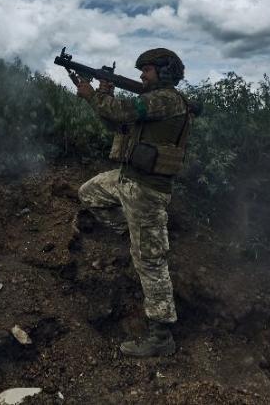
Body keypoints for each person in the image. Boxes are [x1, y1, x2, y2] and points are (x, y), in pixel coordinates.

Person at [70, 48, 192, 357]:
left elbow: (123, 110)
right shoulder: (152, 104)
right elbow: (118, 124)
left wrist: (91, 95)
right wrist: (101, 97)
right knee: (89, 194)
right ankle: (136, 231)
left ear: (164, 73)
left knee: (150, 262)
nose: (141, 75)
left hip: (147, 189)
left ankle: (161, 336)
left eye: (147, 70)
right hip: (127, 179)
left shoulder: (166, 99)